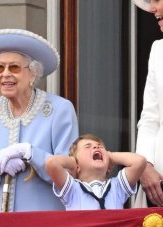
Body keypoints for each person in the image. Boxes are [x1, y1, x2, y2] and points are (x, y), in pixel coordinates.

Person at [0, 28, 79, 212]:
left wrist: (32, 155)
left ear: (33, 74)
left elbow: (70, 174)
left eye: (14, 67)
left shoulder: (60, 109)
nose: (5, 74)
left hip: (42, 223)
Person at [45, 134, 146, 210]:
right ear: (77, 166)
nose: (96, 147)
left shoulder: (117, 187)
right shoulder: (73, 189)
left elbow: (139, 162)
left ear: (109, 168)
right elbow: (52, 163)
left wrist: (110, 156)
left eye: (100, 147)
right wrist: (74, 162)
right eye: (87, 147)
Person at [133, 0, 163, 207]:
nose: (152, 9)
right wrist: (144, 165)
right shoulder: (158, 51)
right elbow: (150, 118)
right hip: (159, 184)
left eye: (157, 0)